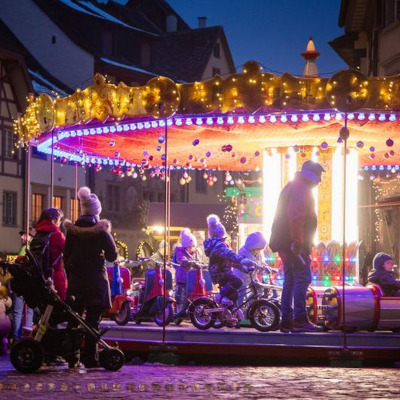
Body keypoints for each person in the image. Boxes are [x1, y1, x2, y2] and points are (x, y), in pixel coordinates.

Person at [64, 186, 117, 369]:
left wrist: (71, 272)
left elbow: (66, 256)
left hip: (76, 282)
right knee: (92, 322)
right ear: (97, 210)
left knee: (74, 321)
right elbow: (112, 255)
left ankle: (72, 356)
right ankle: (91, 357)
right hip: (96, 282)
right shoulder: (102, 230)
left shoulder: (71, 231)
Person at [269, 160, 325, 333]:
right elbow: (295, 217)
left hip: (285, 243)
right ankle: (300, 319)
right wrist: (298, 243)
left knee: (290, 280)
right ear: (311, 175)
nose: (320, 180)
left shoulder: (292, 186)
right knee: (303, 277)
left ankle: (287, 321)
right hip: (293, 244)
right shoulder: (302, 188)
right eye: (318, 176)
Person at [204, 214, 254, 306]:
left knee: (233, 295)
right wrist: (242, 260)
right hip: (220, 273)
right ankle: (220, 296)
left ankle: (227, 315)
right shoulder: (219, 246)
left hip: (223, 272)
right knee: (238, 282)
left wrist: (243, 268)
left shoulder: (219, 245)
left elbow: (230, 261)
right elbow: (229, 254)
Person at [34, 208, 67, 301]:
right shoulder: (56, 235)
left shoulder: (38, 234)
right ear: (55, 220)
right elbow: (68, 251)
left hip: (41, 279)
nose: (60, 223)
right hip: (55, 278)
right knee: (60, 309)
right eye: (60, 220)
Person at [11, 228, 35, 343]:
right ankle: (28, 337)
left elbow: (18, 266)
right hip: (32, 285)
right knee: (30, 311)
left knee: (17, 311)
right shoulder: (36, 248)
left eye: (24, 235)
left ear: (30, 236)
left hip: (22, 284)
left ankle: (16, 338)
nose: (21, 237)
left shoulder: (25, 248)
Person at [235, 232, 267, 306]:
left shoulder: (257, 254)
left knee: (259, 288)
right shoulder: (243, 252)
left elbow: (261, 263)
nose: (259, 251)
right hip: (242, 279)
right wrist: (252, 267)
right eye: (258, 248)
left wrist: (267, 268)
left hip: (252, 278)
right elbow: (243, 264)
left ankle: (252, 307)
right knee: (241, 297)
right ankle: (241, 314)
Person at [172, 228, 200, 310]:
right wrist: (189, 262)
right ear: (185, 246)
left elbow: (198, 261)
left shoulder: (195, 253)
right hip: (182, 278)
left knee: (192, 294)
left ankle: (190, 308)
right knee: (181, 295)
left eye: (193, 246)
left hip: (192, 279)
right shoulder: (179, 251)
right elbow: (182, 260)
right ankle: (179, 309)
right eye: (189, 247)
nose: (191, 248)